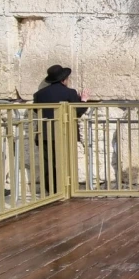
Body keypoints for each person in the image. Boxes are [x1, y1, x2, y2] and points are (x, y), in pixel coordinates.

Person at [33, 65, 89, 195]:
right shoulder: (70, 93)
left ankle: (51, 191)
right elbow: (77, 112)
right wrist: (84, 101)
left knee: (48, 162)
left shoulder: (39, 95)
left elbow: (36, 111)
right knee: (65, 161)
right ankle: (65, 189)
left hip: (45, 133)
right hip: (65, 133)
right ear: (64, 79)